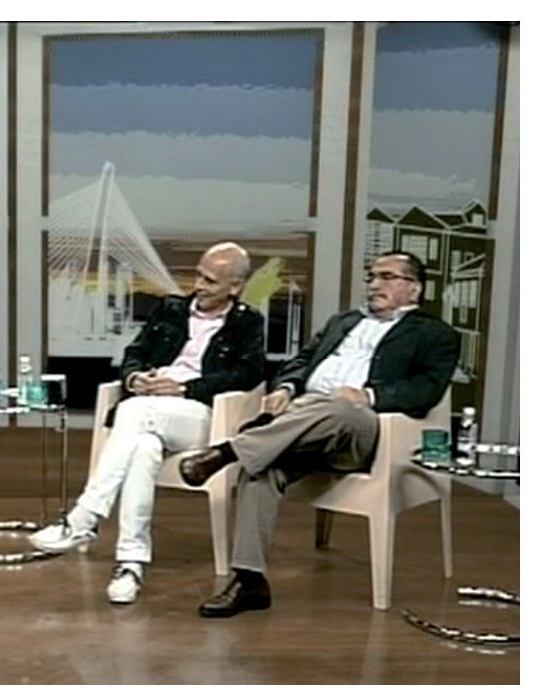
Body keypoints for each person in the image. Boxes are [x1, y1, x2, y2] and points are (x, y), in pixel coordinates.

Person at [179, 251, 460, 618]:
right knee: (261, 467)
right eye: (372, 276)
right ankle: (250, 581)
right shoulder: (343, 322)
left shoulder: (435, 334)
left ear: (414, 288)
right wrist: (287, 388)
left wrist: (368, 396)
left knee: (339, 408)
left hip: (363, 428)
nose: (374, 284)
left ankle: (227, 451)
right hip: (303, 421)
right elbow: (300, 361)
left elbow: (426, 389)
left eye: (387, 277)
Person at [29, 242, 266, 604]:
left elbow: (247, 373)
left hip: (199, 413)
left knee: (134, 413)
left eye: (210, 281)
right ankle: (131, 563)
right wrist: (136, 378)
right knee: (143, 448)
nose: (199, 286)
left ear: (235, 286)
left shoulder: (247, 323)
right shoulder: (171, 309)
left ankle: (84, 518)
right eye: (198, 276)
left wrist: (186, 387)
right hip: (150, 409)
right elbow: (134, 354)